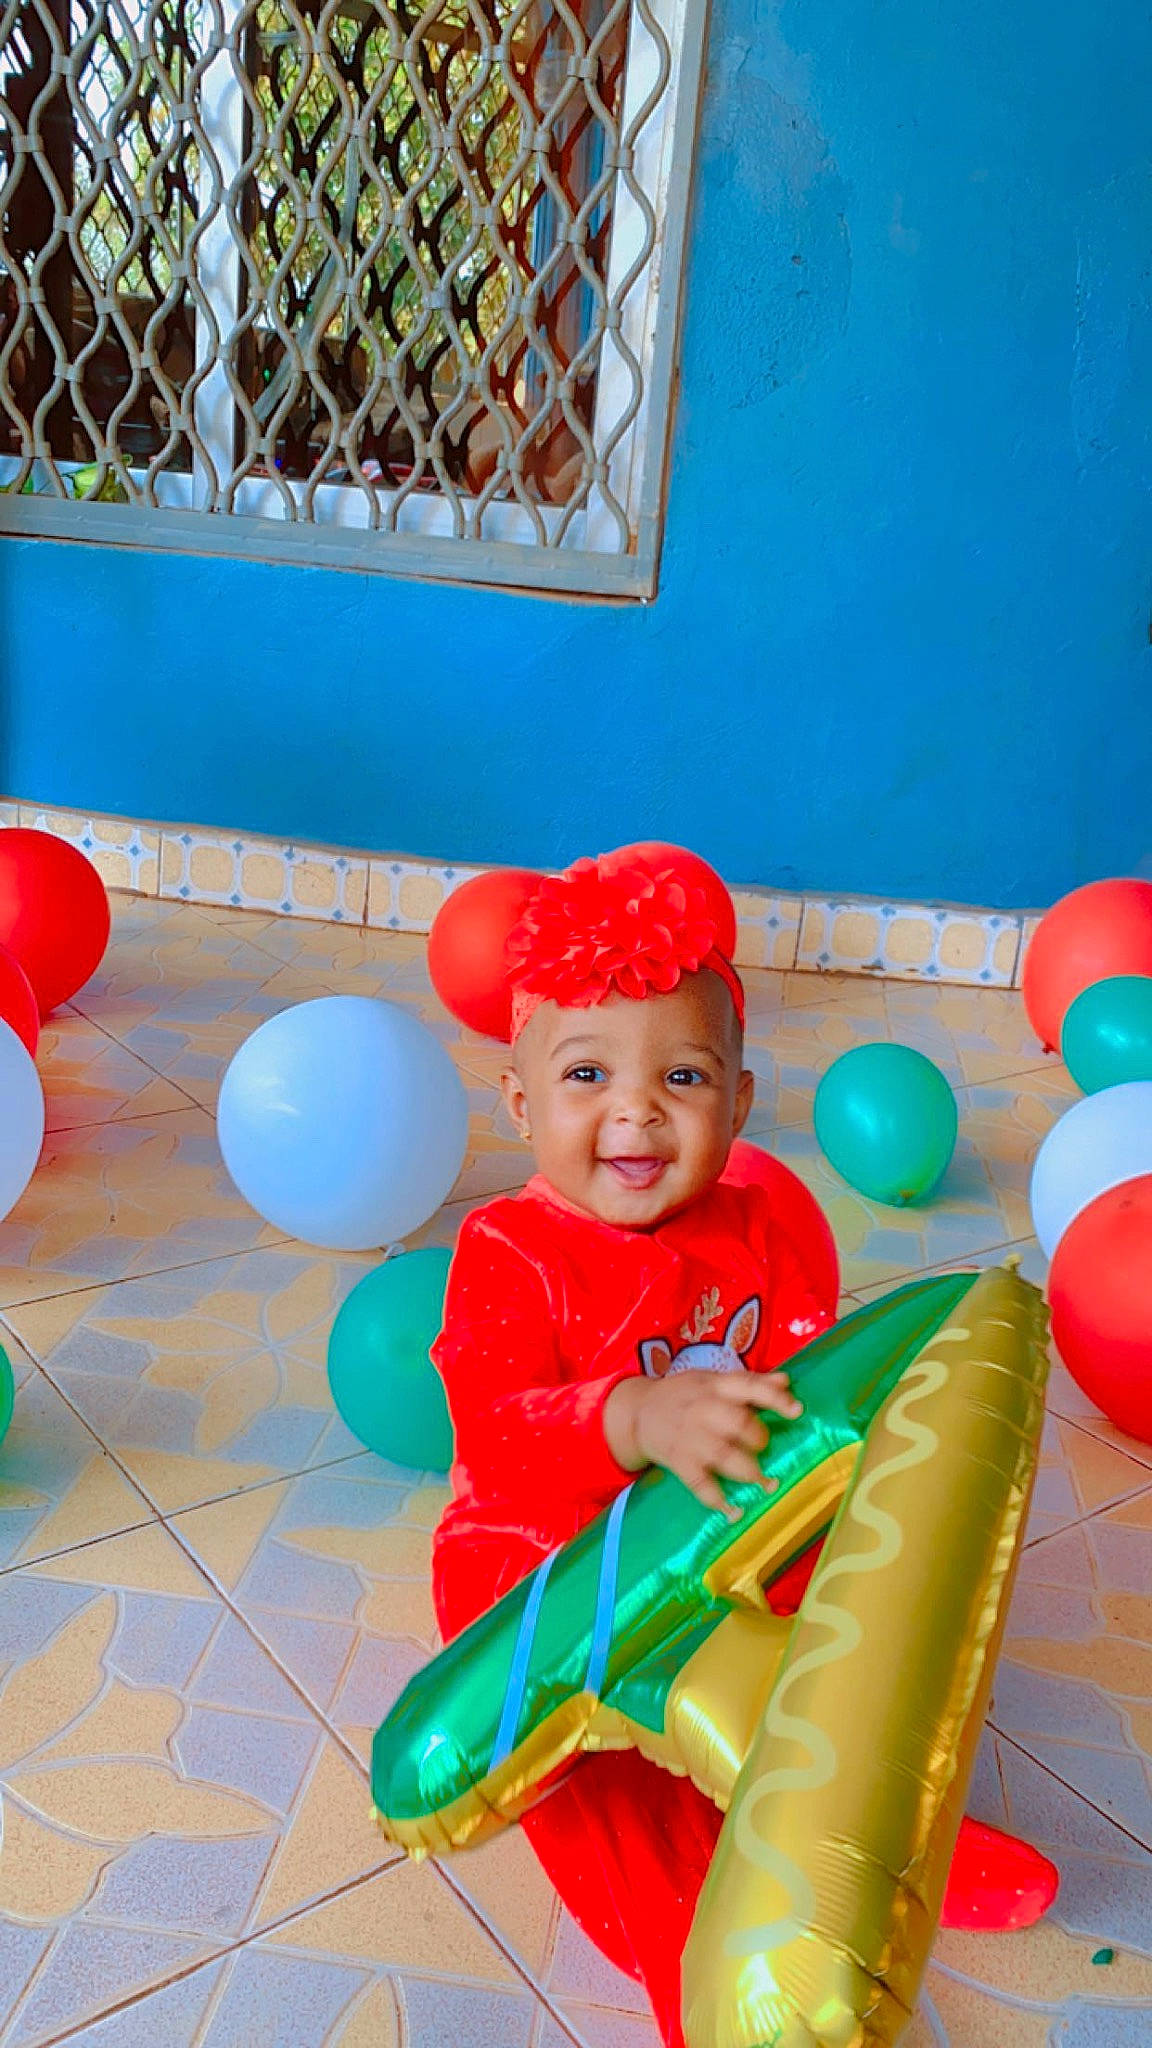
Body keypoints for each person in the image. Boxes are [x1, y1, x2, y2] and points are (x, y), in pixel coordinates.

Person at [429, 845, 1057, 2048]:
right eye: (585, 1073)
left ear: (738, 1097)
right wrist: (626, 1416)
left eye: (681, 1072)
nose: (635, 1109)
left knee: (854, 1613)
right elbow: (495, 1430)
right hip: (557, 1545)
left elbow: (814, 1378)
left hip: (735, 1525)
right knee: (586, 1727)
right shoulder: (510, 1247)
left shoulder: (763, 1215)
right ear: (520, 1102)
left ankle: (888, 1832)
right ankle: (683, 1932)